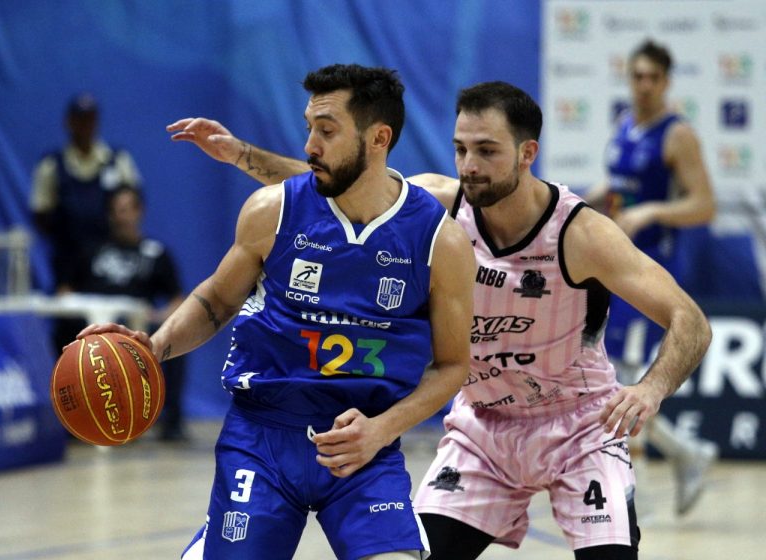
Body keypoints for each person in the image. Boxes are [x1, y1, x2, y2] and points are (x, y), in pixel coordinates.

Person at [167, 79, 712, 560]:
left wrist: (651, 389)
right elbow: (339, 180)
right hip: (484, 431)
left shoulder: (581, 234)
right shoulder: (437, 210)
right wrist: (241, 154)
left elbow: (689, 319)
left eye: (487, 151)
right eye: (460, 149)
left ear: (527, 153)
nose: (469, 165)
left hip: (578, 428)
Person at [76, 64, 476, 560]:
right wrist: (152, 349)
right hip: (262, 436)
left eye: (326, 131)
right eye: (309, 127)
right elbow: (217, 301)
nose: (310, 145)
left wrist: (382, 429)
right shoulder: (273, 210)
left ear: (379, 138)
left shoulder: (441, 241)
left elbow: (453, 365)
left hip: (362, 444)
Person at [585, 39, 718, 516]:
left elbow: (705, 204)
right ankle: (685, 454)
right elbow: (620, 186)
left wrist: (651, 212)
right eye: (637, 76)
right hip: (615, 264)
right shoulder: (626, 124)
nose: (644, 85)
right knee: (607, 378)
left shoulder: (677, 134)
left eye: (652, 78)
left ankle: (639, 477)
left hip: (652, 268)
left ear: (666, 81)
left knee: (619, 379)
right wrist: (579, 201)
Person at [58, 184, 188, 441]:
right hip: (93, 328)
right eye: (117, 210)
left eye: (127, 209)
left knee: (175, 341)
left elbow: (177, 299)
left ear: (140, 211)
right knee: (63, 334)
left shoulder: (156, 253)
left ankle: (171, 422)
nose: (122, 216)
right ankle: (72, 419)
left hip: (135, 328)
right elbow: (65, 289)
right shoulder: (92, 250)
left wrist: (159, 318)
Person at [29, 92, 142, 353]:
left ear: (97, 121)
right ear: (69, 122)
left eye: (90, 119)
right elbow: (40, 215)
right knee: (70, 337)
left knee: (115, 337)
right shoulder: (52, 165)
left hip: (111, 266)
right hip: (69, 265)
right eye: (80, 119)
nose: (85, 125)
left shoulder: (117, 160)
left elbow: (133, 201)